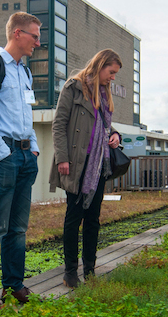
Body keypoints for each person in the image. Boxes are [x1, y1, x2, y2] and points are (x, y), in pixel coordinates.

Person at [0, 12, 42, 313]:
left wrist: (34, 148)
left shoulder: (24, 72)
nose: (38, 43)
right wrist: (4, 152)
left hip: (26, 155)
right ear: (17, 33)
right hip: (5, 155)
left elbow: (27, 115)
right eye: (34, 36)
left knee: (18, 227)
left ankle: (14, 284)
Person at [49, 50, 123, 287]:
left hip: (99, 164)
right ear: (100, 65)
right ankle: (70, 272)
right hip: (76, 163)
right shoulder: (74, 87)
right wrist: (62, 158)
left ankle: (90, 269)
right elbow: (59, 124)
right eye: (111, 72)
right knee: (74, 217)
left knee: (93, 218)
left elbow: (103, 128)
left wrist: (114, 135)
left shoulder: (104, 93)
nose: (112, 78)